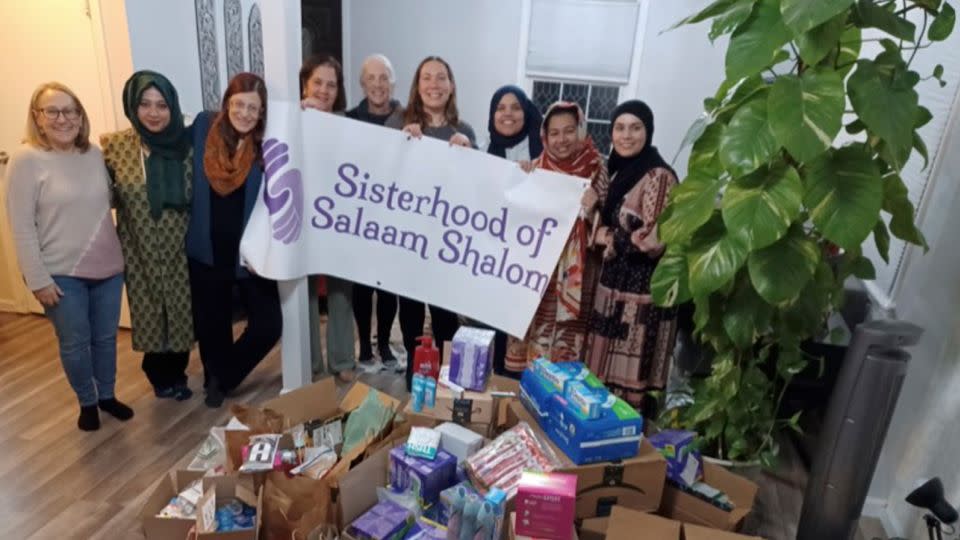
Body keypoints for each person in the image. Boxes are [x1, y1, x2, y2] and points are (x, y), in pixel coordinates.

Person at [6, 82, 132, 430]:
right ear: (38, 117)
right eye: (53, 111)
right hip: (60, 273)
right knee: (75, 342)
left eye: (70, 111)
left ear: (80, 115)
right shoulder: (25, 160)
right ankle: (87, 402)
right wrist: (37, 278)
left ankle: (107, 395)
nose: (63, 119)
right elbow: (21, 227)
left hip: (107, 265)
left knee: (105, 339)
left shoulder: (93, 154)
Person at [187, 72, 282, 408]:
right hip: (207, 249)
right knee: (212, 325)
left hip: (250, 254)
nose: (244, 113)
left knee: (269, 324)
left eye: (252, 108)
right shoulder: (202, 128)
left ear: (262, 113)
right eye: (238, 104)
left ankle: (226, 373)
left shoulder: (267, 143)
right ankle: (214, 379)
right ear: (227, 104)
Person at [101, 70, 193, 401]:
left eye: (162, 105)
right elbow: (101, 196)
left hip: (180, 247)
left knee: (180, 313)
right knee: (150, 311)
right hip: (137, 248)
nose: (154, 113)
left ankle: (178, 374)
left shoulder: (187, 146)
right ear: (132, 106)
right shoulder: (114, 147)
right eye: (145, 104)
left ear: (173, 108)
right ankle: (156, 374)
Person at [385, 55, 476, 389]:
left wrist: (471, 154)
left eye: (441, 78)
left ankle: (448, 378)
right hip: (409, 238)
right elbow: (380, 173)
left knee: (444, 316)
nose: (434, 85)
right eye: (427, 78)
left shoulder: (464, 131)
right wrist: (399, 146)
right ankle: (415, 374)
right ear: (417, 85)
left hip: (446, 242)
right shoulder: (398, 123)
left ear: (451, 86)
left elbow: (480, 188)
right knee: (409, 311)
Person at [585, 100, 678, 414]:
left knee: (629, 389)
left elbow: (655, 239)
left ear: (647, 132)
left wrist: (608, 237)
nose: (627, 136)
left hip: (641, 302)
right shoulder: (615, 172)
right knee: (601, 387)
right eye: (620, 128)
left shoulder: (658, 176)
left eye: (635, 128)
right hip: (611, 293)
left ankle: (629, 456)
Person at [504, 102, 609, 376]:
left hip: (576, 276)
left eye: (569, 131)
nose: (562, 140)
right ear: (545, 136)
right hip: (537, 272)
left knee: (565, 358)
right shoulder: (536, 170)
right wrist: (521, 181)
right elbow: (515, 219)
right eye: (555, 133)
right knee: (532, 345)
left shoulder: (596, 169)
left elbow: (607, 226)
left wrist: (594, 208)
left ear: (580, 131)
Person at [299, 53, 358, 383]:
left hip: (338, 220)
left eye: (331, 85)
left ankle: (342, 359)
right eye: (317, 82)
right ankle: (309, 362)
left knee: (340, 291)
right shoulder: (290, 118)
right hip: (302, 217)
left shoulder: (347, 125)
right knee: (304, 292)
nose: (323, 90)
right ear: (306, 84)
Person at [345, 54, 402, 373]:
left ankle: (384, 345)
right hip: (361, 217)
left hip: (396, 217)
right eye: (372, 78)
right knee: (363, 287)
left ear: (393, 82)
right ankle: (365, 347)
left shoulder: (408, 117)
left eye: (385, 78)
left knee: (389, 286)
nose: (378, 84)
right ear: (362, 83)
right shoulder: (349, 118)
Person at [484, 85, 544, 377]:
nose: (507, 114)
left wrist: (538, 175)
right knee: (497, 325)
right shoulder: (486, 150)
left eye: (515, 107)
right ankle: (500, 383)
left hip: (531, 257)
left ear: (527, 111)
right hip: (495, 256)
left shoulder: (542, 151)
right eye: (500, 108)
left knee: (526, 327)